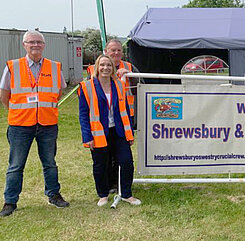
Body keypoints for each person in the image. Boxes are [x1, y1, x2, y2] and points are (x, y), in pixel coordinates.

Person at [0, 30, 69, 217]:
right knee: (15, 165)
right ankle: (10, 201)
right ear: (24, 45)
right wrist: (16, 111)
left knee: (50, 163)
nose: (35, 45)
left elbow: (58, 92)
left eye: (39, 42)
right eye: (31, 42)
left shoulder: (55, 67)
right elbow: (4, 94)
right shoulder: (13, 66)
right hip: (20, 125)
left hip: (47, 124)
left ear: (44, 45)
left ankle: (54, 195)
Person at [79, 55, 141, 206]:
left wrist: (129, 133)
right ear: (96, 67)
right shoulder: (86, 86)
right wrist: (87, 137)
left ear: (113, 68)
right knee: (101, 164)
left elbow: (125, 110)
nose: (105, 68)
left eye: (109, 65)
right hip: (98, 133)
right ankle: (103, 194)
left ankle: (126, 194)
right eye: (102, 65)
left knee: (126, 162)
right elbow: (83, 114)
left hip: (118, 132)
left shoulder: (119, 85)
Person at [87, 39, 136, 193]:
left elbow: (140, 84)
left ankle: (118, 184)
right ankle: (106, 185)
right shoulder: (93, 68)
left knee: (122, 155)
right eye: (112, 50)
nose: (116, 53)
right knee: (104, 155)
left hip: (125, 117)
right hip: (101, 120)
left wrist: (130, 75)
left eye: (119, 50)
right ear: (106, 51)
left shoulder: (128, 67)